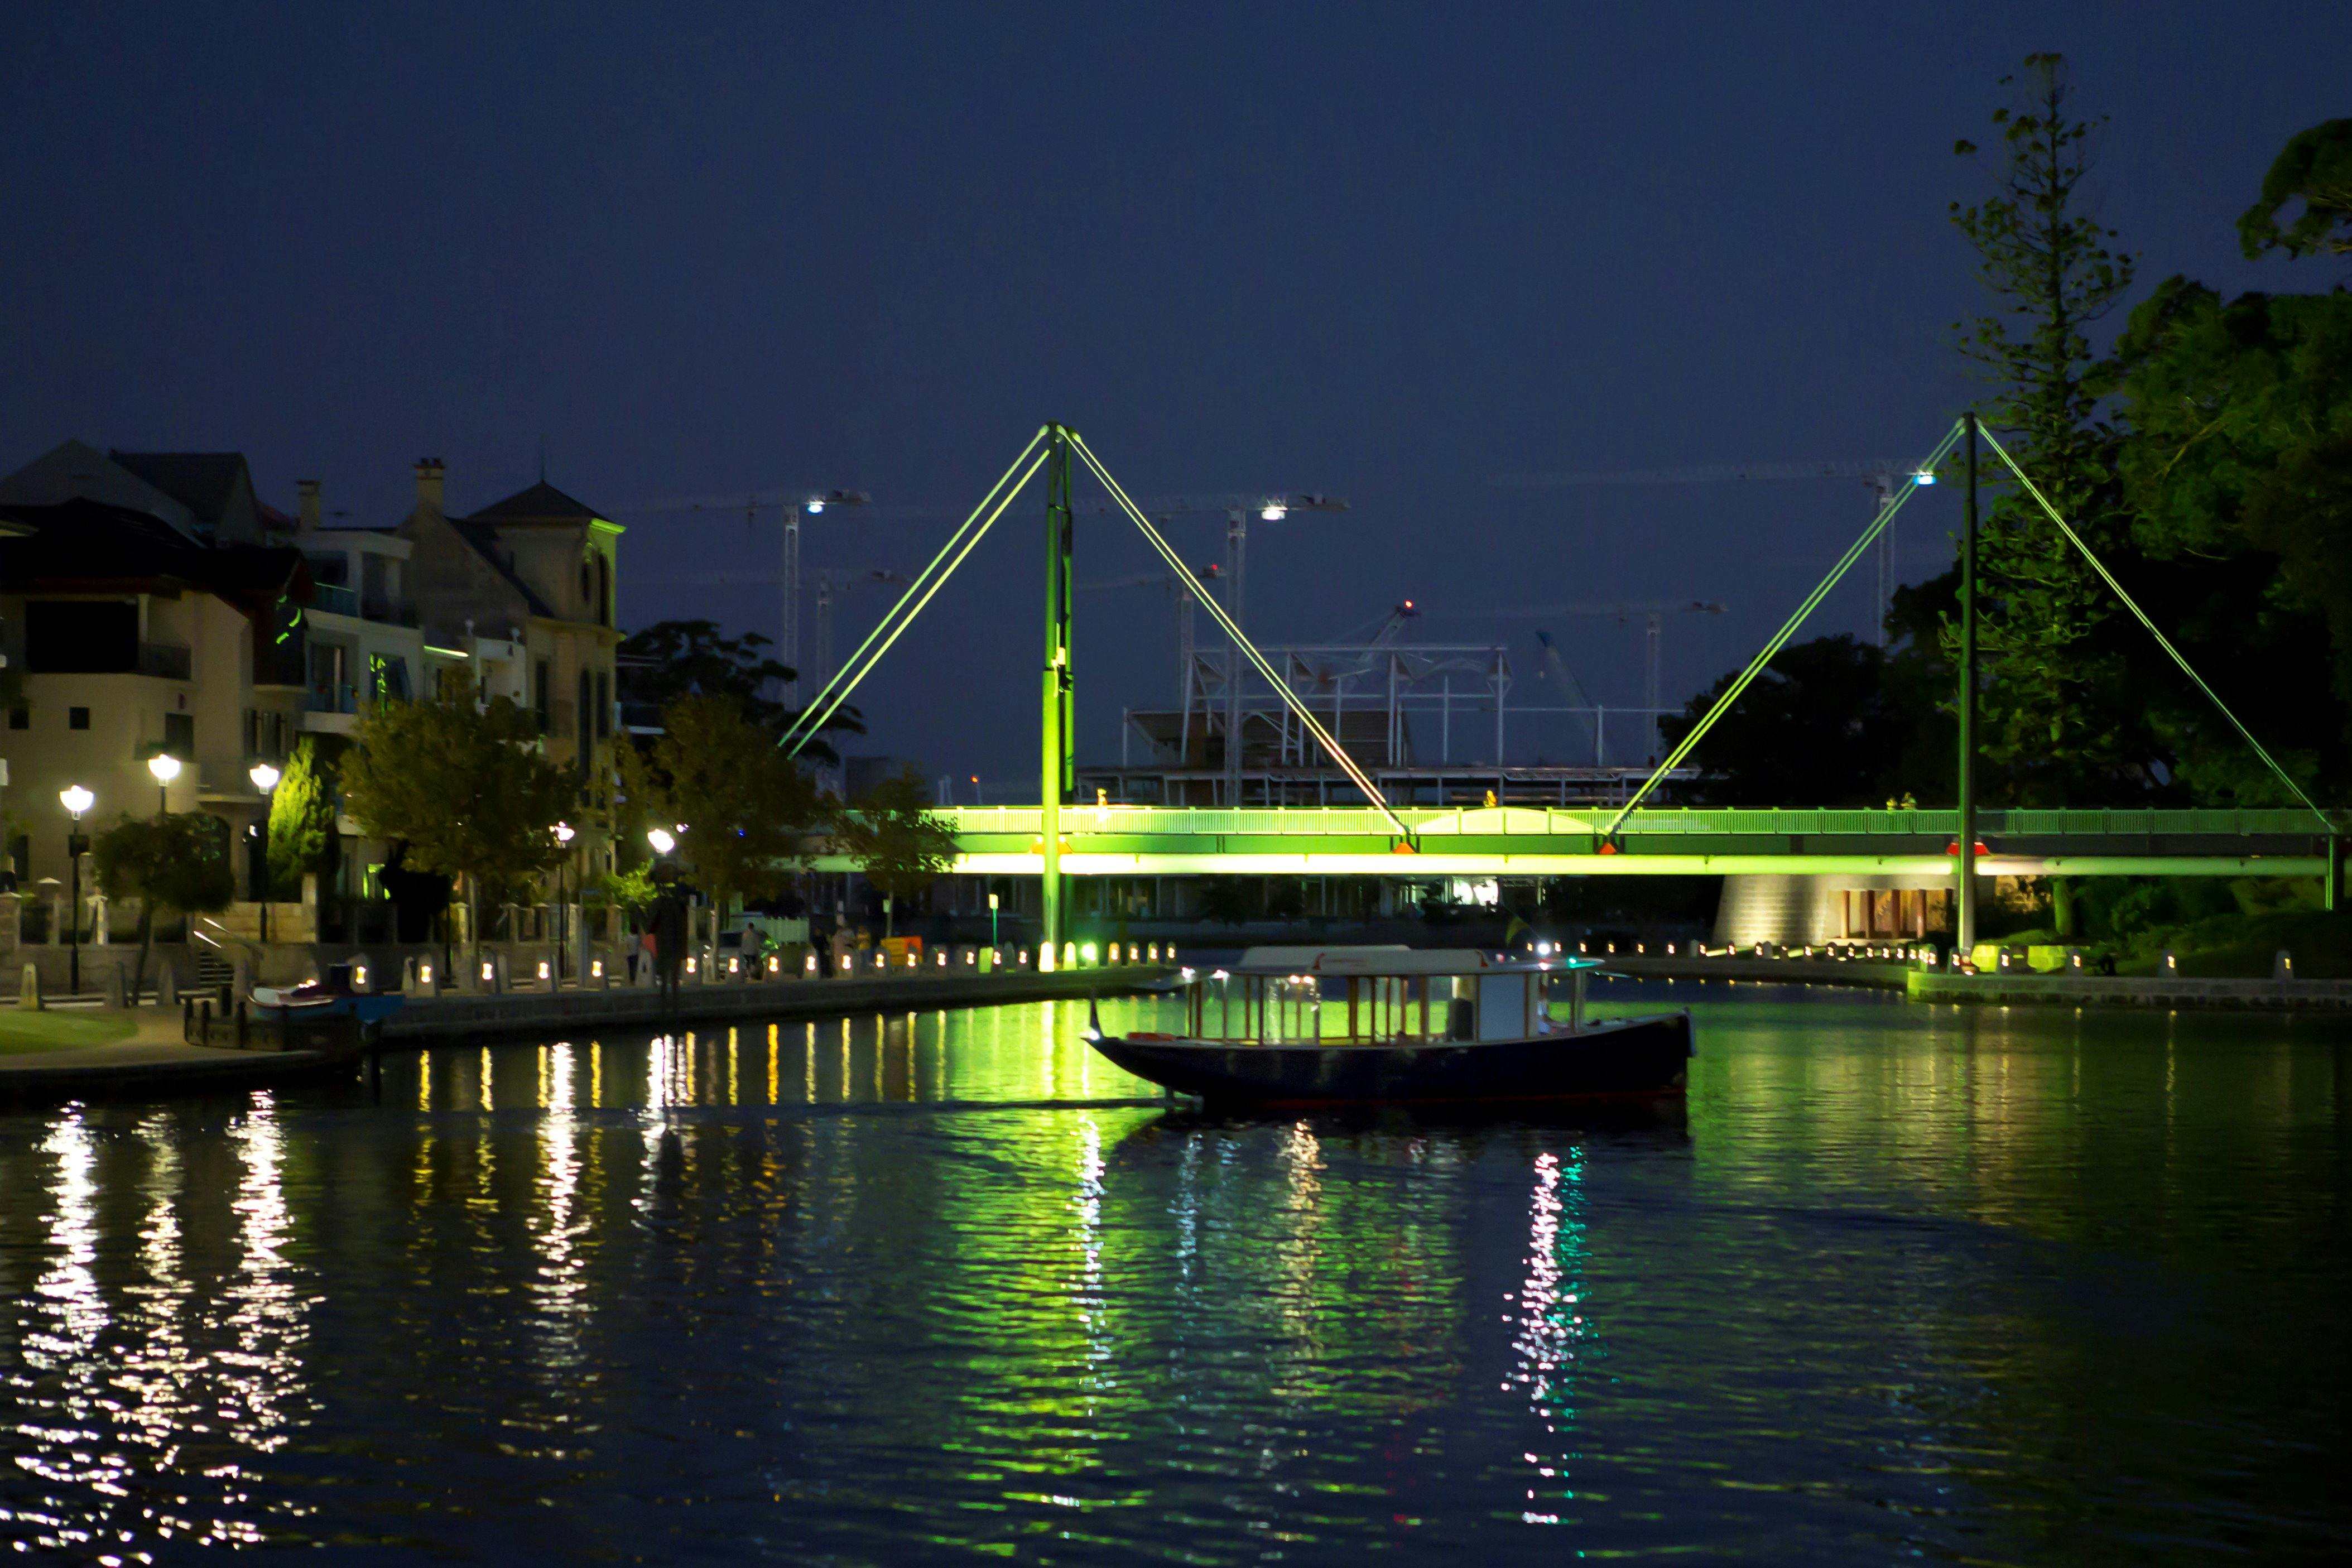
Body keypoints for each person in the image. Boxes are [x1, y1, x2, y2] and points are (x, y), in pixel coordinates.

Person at [650, 870, 687, 1007]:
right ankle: (674, 1008)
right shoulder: (677, 907)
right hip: (673, 949)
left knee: (666, 981)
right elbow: (681, 929)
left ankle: (665, 1007)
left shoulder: (659, 906)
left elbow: (650, 927)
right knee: (673, 981)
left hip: (665, 948)